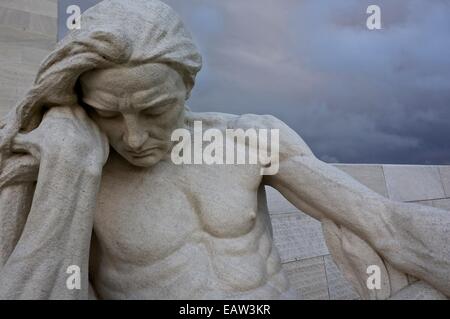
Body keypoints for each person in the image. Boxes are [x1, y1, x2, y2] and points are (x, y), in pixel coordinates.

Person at [0, 0, 448, 300]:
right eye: (108, 113)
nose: (133, 138)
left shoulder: (248, 140)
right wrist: (70, 173)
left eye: (154, 110)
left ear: (187, 85)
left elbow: (383, 222)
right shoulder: (76, 166)